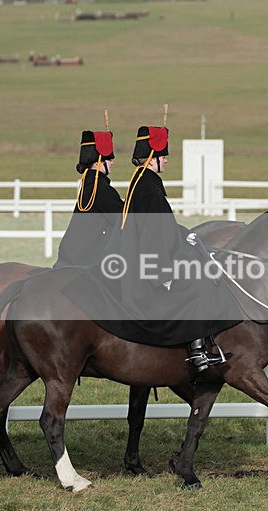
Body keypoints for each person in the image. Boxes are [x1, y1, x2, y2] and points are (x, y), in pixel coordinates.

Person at [115, 125, 242, 372]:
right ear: (153, 158)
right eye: (163, 156)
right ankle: (197, 351)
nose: (166, 160)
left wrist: (187, 235)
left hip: (150, 259)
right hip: (151, 267)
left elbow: (163, 225)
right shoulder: (148, 186)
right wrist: (163, 274)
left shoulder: (144, 180)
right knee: (202, 283)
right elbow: (152, 235)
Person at [54, 130, 124, 268]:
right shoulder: (101, 189)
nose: (112, 162)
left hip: (70, 255)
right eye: (109, 159)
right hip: (86, 260)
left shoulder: (88, 185)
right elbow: (124, 219)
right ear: (99, 162)